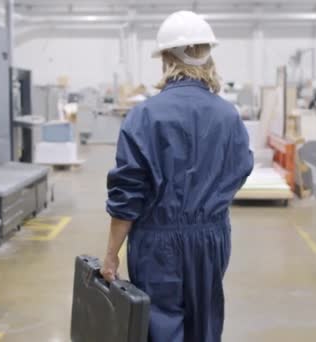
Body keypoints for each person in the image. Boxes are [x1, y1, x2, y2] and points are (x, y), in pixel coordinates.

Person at [101, 10, 253, 342]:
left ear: (166, 58)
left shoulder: (144, 116)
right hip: (211, 238)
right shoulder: (228, 116)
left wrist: (112, 253)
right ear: (208, 55)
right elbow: (241, 170)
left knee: (161, 325)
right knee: (205, 323)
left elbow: (127, 195)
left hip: (157, 242)